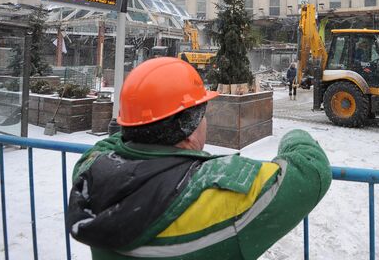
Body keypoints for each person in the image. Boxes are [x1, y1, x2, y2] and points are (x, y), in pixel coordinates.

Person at [67, 57, 331, 260]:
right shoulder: (217, 190)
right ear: (189, 126)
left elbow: (112, 142)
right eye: (202, 114)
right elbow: (310, 171)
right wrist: (294, 135)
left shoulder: (92, 170)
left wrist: (135, 124)